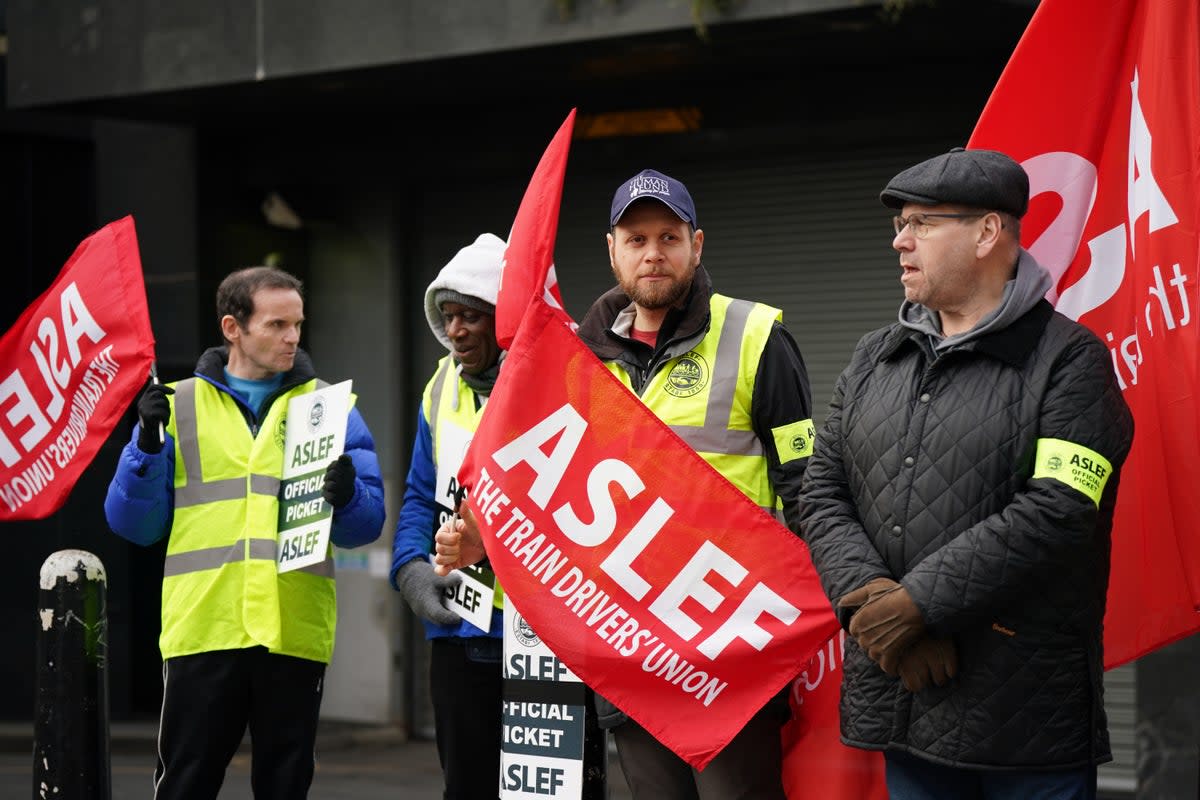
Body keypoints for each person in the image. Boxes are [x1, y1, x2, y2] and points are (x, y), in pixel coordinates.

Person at [437, 169, 814, 799]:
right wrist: (486, 541)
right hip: (630, 648)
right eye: (635, 239)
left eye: (669, 237)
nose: (653, 253)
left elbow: (807, 490)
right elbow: (551, 500)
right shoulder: (578, 358)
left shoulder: (756, 337)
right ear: (611, 249)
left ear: (698, 244)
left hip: (730, 647)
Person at [797, 147, 1134, 799]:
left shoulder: (1073, 362)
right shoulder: (875, 356)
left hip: (1026, 727)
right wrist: (876, 608)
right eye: (900, 224)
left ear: (987, 233)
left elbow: (1061, 507)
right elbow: (821, 490)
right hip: (904, 695)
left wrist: (918, 606)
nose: (900, 241)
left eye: (922, 223)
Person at [104, 266, 386, 800]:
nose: (293, 337)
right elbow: (134, 526)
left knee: (285, 787)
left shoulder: (329, 408)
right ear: (233, 328)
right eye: (277, 324)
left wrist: (349, 496)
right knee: (186, 784)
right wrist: (144, 445)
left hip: (293, 631)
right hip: (203, 628)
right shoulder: (174, 405)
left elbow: (364, 528)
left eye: (298, 324)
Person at [390, 233, 508, 799]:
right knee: (466, 789)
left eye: (472, 317)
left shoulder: (554, 381)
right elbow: (418, 495)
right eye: (449, 316)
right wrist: (411, 570)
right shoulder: (441, 385)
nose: (457, 330)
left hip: (543, 636)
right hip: (459, 630)